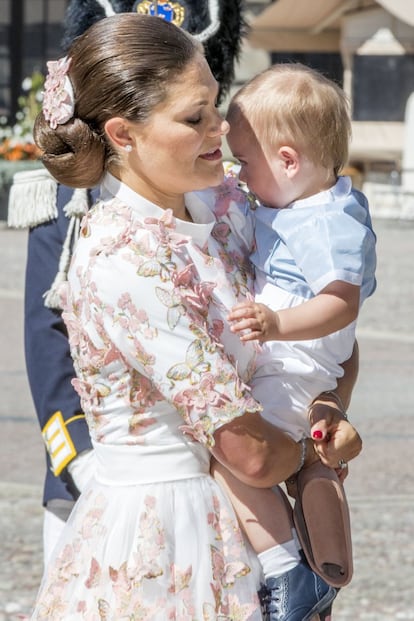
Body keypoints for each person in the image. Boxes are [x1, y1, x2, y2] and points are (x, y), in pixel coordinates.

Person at [28, 15, 360, 620]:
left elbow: (328, 325)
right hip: (169, 531)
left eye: (215, 105)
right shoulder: (123, 255)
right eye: (194, 117)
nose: (222, 129)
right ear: (123, 133)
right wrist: (313, 452)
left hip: (255, 519)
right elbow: (249, 453)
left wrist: (327, 404)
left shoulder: (227, 204)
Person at [8, 0, 246, 566]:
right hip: (110, 482)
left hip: (237, 491)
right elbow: (49, 342)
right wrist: (83, 463)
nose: (212, 125)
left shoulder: (231, 199)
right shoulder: (73, 206)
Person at [212, 62, 376, 617]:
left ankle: (291, 570)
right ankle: (308, 535)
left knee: (235, 458)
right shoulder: (302, 203)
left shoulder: (329, 221)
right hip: (291, 364)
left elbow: (341, 302)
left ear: (287, 160)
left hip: (295, 365)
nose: (239, 175)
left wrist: (277, 324)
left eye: (245, 162)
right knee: (265, 459)